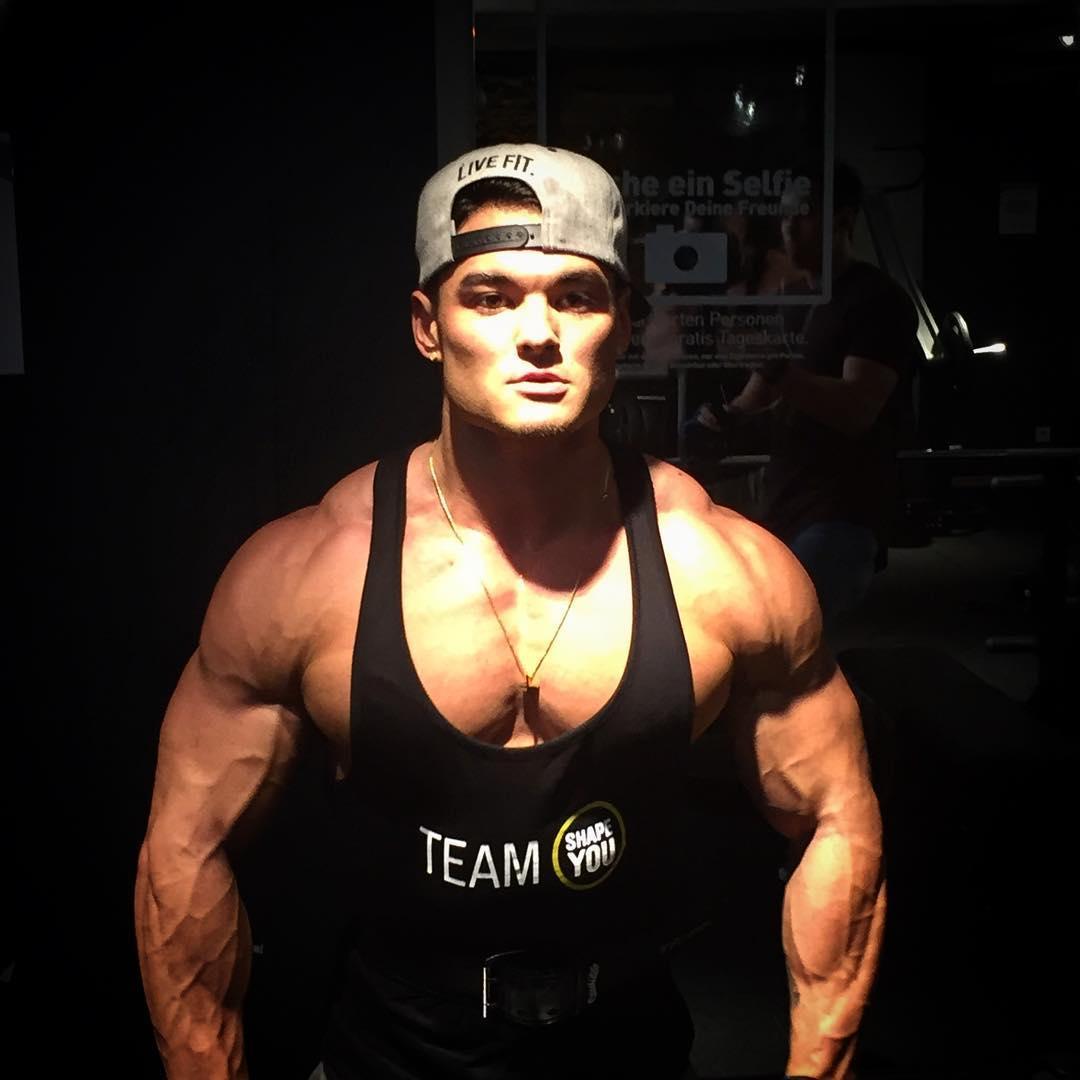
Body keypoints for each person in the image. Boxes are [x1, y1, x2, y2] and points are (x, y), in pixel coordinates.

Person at [135, 143, 886, 1080]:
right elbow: (186, 848)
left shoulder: (725, 568)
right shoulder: (305, 574)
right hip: (392, 1052)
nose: (538, 333)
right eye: (490, 297)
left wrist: (820, 1068)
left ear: (622, 322)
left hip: (628, 1050)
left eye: (577, 297)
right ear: (428, 326)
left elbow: (837, 818)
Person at [685, 162, 919, 634]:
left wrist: (775, 371)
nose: (789, 226)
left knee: (788, 635)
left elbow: (857, 408)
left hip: (843, 509)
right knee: (764, 636)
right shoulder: (794, 299)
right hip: (786, 502)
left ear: (843, 220)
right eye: (785, 213)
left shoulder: (876, 300)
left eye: (804, 213)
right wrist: (723, 419)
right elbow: (762, 391)